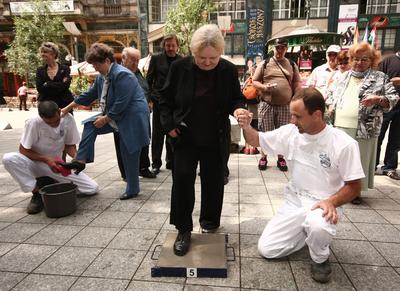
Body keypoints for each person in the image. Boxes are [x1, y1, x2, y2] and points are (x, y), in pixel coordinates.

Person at [236, 88, 365, 283]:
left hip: (323, 204)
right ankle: (307, 234)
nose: (292, 121)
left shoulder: (343, 143)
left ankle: (320, 257)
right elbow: (256, 140)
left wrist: (332, 201)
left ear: (317, 115)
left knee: (318, 226)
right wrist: (246, 126)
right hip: (294, 200)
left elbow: (354, 185)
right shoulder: (291, 132)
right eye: (292, 115)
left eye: (297, 116)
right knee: (268, 249)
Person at [159, 24, 246, 256]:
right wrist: (169, 127)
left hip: (215, 136)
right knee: (183, 182)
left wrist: (238, 110)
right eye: (201, 58)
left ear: (220, 53)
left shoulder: (227, 70)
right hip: (185, 136)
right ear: (192, 52)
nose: (207, 62)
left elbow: (236, 99)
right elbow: (164, 100)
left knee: (214, 181)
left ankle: (209, 222)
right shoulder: (179, 68)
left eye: (213, 58)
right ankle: (184, 229)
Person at [61, 43, 150, 200]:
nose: (95, 67)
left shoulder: (123, 75)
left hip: (132, 118)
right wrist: (66, 108)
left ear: (108, 61)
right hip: (118, 115)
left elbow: (122, 102)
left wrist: (106, 118)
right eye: (93, 64)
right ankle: (80, 160)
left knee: (129, 152)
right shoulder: (102, 77)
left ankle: (132, 189)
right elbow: (88, 95)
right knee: (90, 125)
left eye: (97, 64)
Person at [327, 42, 399, 204]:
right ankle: (339, 188)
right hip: (340, 124)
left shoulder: (379, 77)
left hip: (366, 127)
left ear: (372, 60)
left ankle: (355, 192)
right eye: (356, 59)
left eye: (364, 59)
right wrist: (330, 104)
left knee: (359, 160)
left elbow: (394, 98)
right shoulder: (343, 76)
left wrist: (378, 99)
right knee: (340, 158)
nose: (359, 62)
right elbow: (331, 95)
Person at [2, 101, 98, 214]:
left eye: (57, 121)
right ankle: (37, 192)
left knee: (92, 188)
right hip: (34, 162)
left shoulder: (68, 118)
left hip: (56, 165)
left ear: (59, 111)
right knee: (8, 158)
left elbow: (69, 145)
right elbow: (23, 150)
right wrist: (46, 159)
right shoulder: (33, 122)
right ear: (41, 117)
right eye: (49, 123)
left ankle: (51, 183)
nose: (54, 125)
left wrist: (78, 159)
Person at [252, 38, 301, 171]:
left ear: (286, 49)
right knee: (265, 132)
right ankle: (263, 157)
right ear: (273, 48)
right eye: (277, 48)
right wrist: (264, 87)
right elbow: (254, 81)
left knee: (283, 133)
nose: (280, 50)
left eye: (282, 48)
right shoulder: (265, 63)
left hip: (285, 105)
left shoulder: (291, 64)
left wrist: (297, 95)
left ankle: (281, 158)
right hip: (267, 104)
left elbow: (297, 82)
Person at [116, 47, 156, 179]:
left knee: (144, 141)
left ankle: (143, 167)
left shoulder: (138, 72)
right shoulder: (118, 73)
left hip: (142, 115)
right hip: (125, 116)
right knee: (124, 145)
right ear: (123, 58)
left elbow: (146, 89)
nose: (135, 63)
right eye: (132, 60)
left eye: (137, 60)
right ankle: (126, 173)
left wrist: (150, 102)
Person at [147, 34, 182, 174]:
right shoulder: (156, 59)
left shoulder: (182, 60)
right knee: (157, 134)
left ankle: (171, 161)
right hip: (159, 101)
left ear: (177, 46)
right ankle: (156, 163)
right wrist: (151, 97)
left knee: (173, 132)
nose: (170, 48)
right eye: (168, 45)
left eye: (173, 45)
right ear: (163, 46)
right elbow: (148, 79)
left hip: (175, 103)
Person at [375, 48, 400, 180]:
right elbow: (378, 81)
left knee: (396, 140)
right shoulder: (389, 60)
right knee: (378, 136)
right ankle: (372, 165)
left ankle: (389, 167)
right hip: (386, 106)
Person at [36, 42, 74, 109]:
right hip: (47, 106)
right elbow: (40, 88)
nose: (42, 54)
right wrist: (58, 84)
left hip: (64, 104)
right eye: (41, 52)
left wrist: (48, 84)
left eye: (45, 52)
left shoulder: (65, 69)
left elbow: (65, 86)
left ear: (53, 54)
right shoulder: (40, 70)